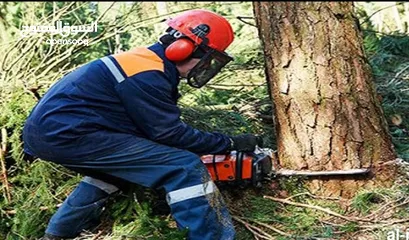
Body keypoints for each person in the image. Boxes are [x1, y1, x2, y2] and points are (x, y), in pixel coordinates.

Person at [22, 9, 259, 240]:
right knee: (183, 166)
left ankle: (58, 232)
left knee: (111, 175)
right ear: (183, 48)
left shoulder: (146, 64)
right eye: (207, 60)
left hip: (54, 133)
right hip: (68, 134)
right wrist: (227, 143)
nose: (206, 68)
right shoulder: (146, 72)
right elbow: (169, 133)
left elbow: (153, 130)